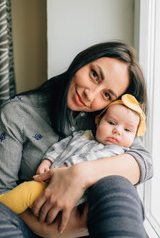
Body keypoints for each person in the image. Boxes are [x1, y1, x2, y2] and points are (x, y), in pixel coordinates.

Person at [0, 41, 152, 238]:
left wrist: (80, 174)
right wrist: (54, 231)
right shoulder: (17, 113)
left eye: (106, 95)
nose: (90, 95)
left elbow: (144, 161)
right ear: (82, 61)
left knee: (116, 183)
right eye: (94, 75)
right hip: (31, 227)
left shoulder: (109, 118)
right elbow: (3, 193)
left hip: (94, 223)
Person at [0, 94, 147, 215]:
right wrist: (48, 161)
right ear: (98, 121)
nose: (118, 131)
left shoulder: (117, 152)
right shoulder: (83, 135)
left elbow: (91, 161)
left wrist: (68, 167)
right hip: (50, 183)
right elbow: (60, 146)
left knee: (27, 191)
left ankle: (3, 207)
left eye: (127, 130)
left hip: (75, 198)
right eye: (112, 123)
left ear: (135, 138)